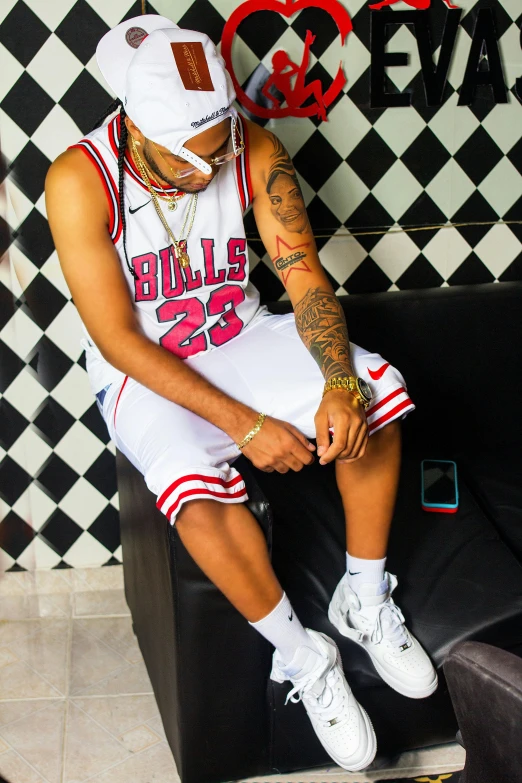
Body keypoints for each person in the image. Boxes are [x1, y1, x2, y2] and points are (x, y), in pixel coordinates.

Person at [45, 15, 437, 773]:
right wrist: (248, 425)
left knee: (377, 394)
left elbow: (301, 273)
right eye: (189, 156)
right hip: (145, 369)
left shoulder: (250, 146)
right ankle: (302, 655)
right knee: (194, 495)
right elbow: (118, 338)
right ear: (134, 127)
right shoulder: (77, 178)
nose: (210, 165)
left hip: (240, 336)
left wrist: (337, 383)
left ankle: (361, 596)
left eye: (218, 142)